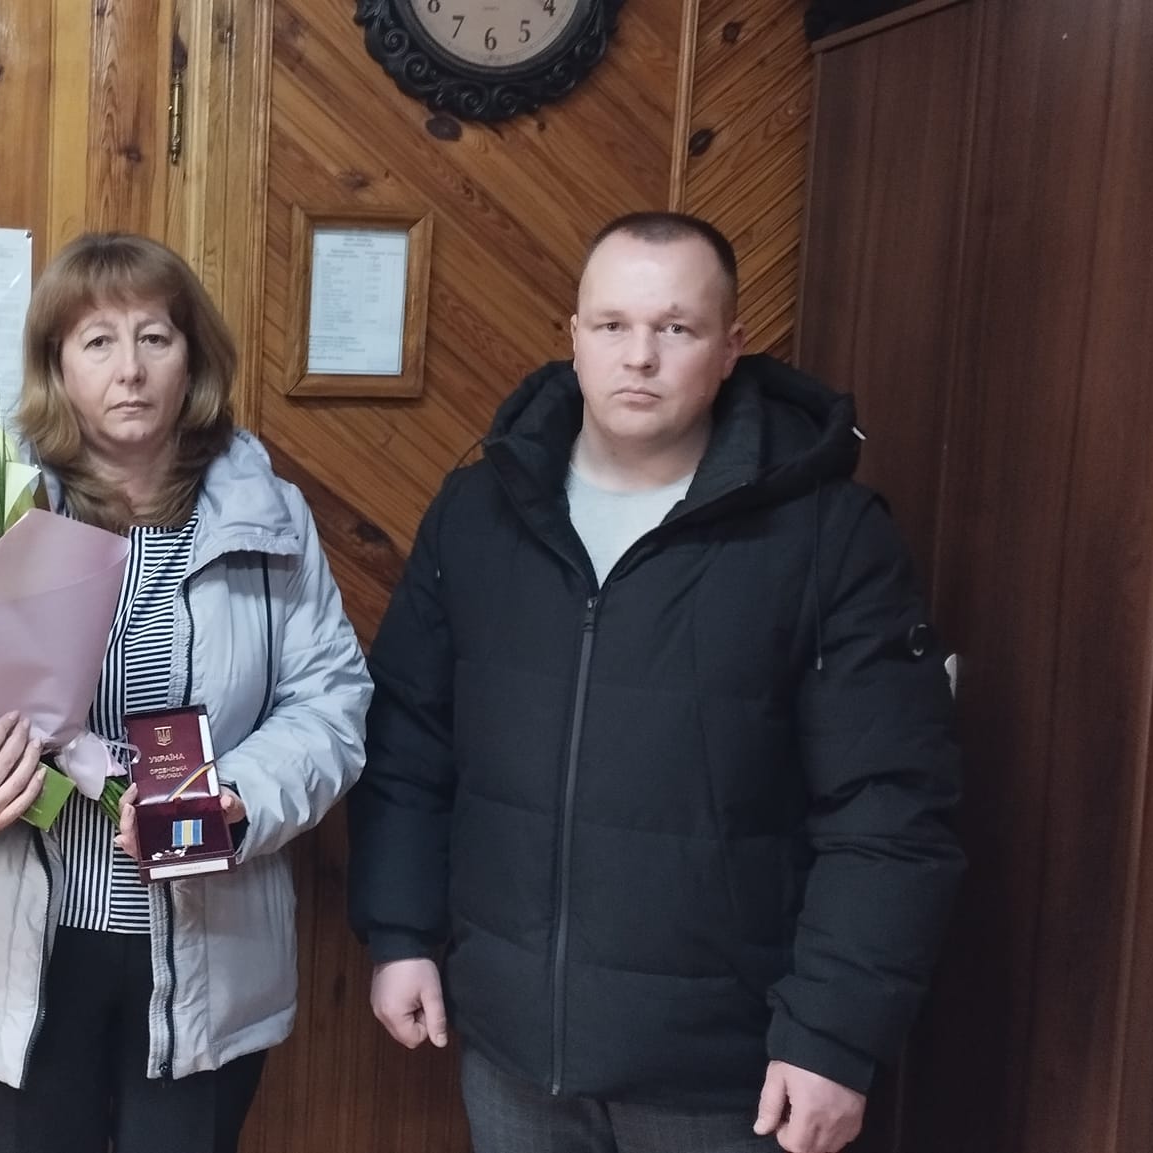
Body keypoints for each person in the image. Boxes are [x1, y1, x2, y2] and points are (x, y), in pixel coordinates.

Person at [348, 212, 963, 1153]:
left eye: (676, 328)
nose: (640, 355)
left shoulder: (827, 536)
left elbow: (890, 802)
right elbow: (409, 743)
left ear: (730, 346)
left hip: (730, 1076)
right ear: (574, 336)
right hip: (513, 1056)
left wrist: (836, 1035)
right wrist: (400, 931)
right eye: (613, 325)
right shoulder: (480, 510)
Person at [0, 232, 371, 1153]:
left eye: (154, 337)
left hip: (209, 954)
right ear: (56, 365)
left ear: (193, 357)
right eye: (97, 341)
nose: (129, 369)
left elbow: (330, 702)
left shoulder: (268, 516)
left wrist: (237, 799)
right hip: (21, 950)